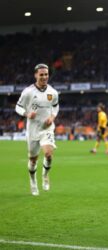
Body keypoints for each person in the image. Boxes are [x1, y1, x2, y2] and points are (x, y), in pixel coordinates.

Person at [15, 63, 59, 196]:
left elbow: (56, 107)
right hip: (33, 130)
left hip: (47, 129)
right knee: (33, 160)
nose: (44, 77)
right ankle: (33, 181)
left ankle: (45, 175)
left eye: (46, 74)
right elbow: (18, 107)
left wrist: (52, 117)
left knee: (48, 154)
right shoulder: (28, 92)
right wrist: (27, 114)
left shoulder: (53, 92)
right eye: (41, 74)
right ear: (35, 75)